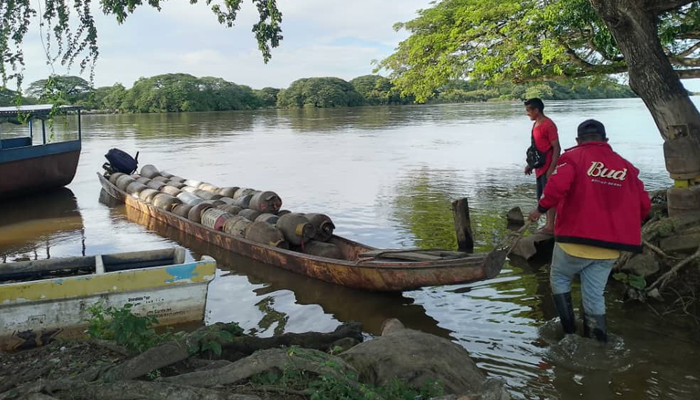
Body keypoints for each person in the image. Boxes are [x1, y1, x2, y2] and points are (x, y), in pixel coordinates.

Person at [528, 119, 651, 342]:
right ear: (605, 140)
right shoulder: (626, 167)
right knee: (594, 296)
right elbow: (644, 205)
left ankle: (569, 334)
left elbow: (556, 188)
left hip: (573, 241)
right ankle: (598, 342)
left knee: (559, 277)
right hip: (609, 248)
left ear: (578, 140)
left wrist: (540, 208)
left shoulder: (572, 158)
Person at [524, 98, 561, 235]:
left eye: (528, 110)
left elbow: (556, 147)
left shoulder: (548, 125)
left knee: (549, 196)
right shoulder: (536, 124)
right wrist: (530, 165)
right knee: (541, 196)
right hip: (539, 167)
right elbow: (536, 148)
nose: (527, 113)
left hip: (547, 167)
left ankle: (551, 226)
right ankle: (548, 224)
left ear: (536, 110)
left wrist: (552, 168)